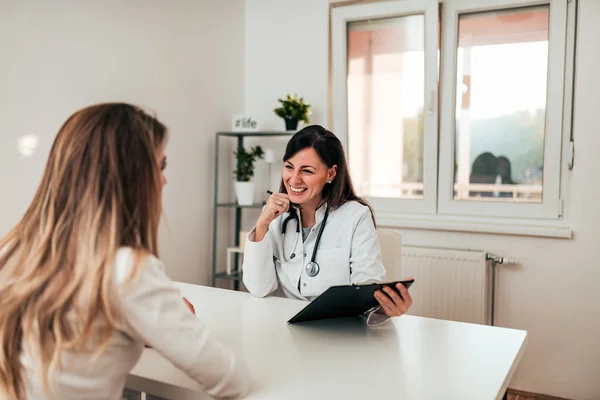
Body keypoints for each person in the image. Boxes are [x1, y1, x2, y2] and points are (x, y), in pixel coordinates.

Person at [0, 103, 249, 400]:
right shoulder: (127, 270)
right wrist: (163, 320)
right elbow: (231, 379)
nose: (164, 180)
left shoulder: (13, 248)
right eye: (161, 165)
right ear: (131, 176)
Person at [242, 125, 412, 325]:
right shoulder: (274, 215)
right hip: (283, 326)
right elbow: (259, 288)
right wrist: (262, 224)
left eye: (307, 171)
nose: (294, 179)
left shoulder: (356, 216)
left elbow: (366, 285)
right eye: (289, 167)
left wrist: (385, 306)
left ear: (331, 174)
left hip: (335, 328)